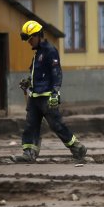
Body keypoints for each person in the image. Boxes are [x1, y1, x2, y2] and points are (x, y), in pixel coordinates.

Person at [12, 20, 87, 163]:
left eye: (30, 38)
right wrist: (28, 82)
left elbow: (56, 73)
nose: (29, 42)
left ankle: (78, 148)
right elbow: (39, 74)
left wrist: (55, 92)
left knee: (56, 125)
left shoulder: (50, 51)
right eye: (27, 39)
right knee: (30, 125)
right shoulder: (38, 53)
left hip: (46, 97)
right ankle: (29, 153)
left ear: (39, 35)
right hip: (34, 97)